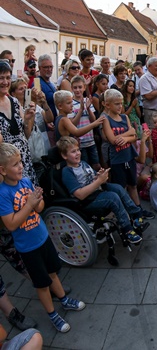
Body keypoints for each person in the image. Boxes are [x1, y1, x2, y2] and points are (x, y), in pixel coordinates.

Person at [0, 143, 86, 333]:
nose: (21, 166)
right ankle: (52, 314)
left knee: (53, 273)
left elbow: (39, 208)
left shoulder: (25, 182)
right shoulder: (3, 194)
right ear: (3, 170)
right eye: (15, 164)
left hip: (42, 237)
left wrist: (38, 201)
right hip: (28, 247)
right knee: (42, 284)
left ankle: (63, 299)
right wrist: (30, 204)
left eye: (20, 161)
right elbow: (11, 224)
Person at [57, 137, 146, 245]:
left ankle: (136, 214)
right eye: (73, 152)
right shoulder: (67, 172)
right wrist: (98, 182)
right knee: (113, 197)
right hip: (87, 200)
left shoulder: (83, 164)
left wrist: (100, 176)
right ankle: (127, 229)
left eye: (78, 150)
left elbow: (96, 179)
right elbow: (79, 194)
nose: (78, 153)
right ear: (64, 156)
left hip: (96, 190)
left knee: (117, 188)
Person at [0, 62, 36, 181]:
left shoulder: (14, 102)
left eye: (8, 77)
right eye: (1, 78)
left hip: (23, 160)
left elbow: (26, 134)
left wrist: (27, 120)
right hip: (7, 167)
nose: (5, 82)